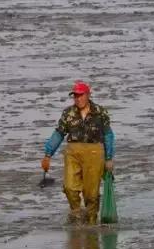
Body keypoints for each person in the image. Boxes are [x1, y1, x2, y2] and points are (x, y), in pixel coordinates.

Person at [41, 81, 116, 224]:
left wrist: (108, 158)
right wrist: (47, 154)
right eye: (75, 96)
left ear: (88, 95)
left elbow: (108, 135)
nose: (77, 99)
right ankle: (77, 213)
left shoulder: (100, 112)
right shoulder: (68, 113)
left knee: (91, 193)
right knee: (69, 188)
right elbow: (59, 133)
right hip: (73, 152)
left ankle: (92, 221)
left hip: (94, 152)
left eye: (80, 95)